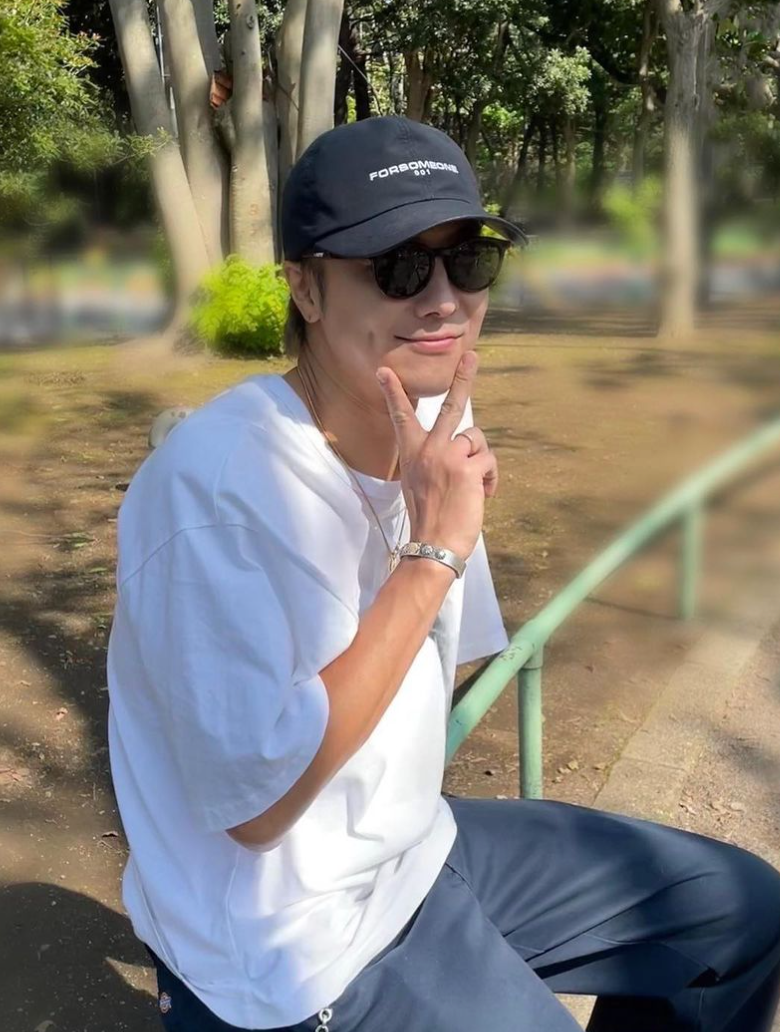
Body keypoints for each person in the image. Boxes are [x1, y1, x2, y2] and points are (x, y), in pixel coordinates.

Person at [107, 116, 780, 1032]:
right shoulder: (215, 490)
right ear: (304, 287)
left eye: (468, 261)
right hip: (285, 940)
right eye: (397, 268)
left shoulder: (434, 431)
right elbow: (257, 808)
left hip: (411, 848)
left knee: (741, 914)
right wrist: (431, 555)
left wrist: (439, 527)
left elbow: (447, 664)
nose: (442, 301)